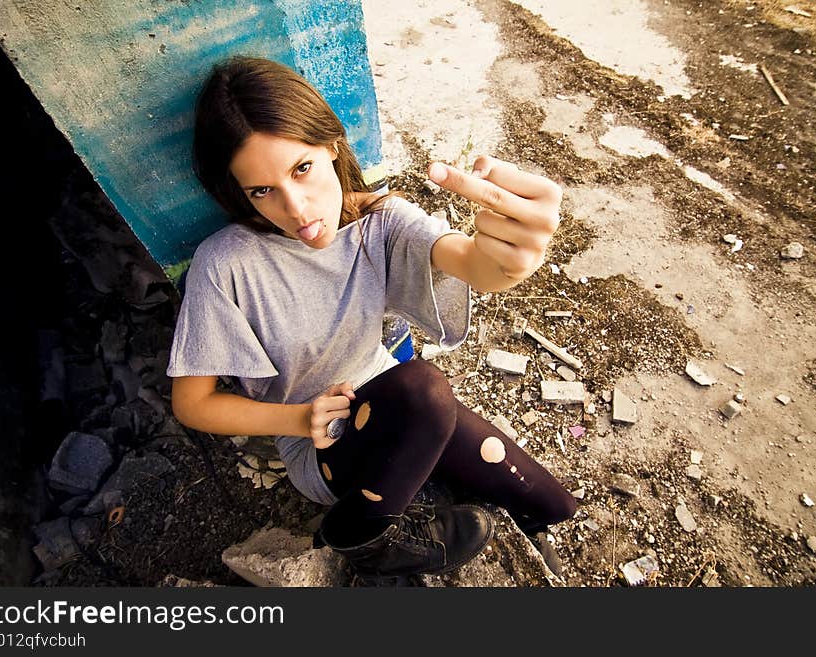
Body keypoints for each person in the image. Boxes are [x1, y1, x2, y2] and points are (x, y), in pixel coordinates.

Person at [167, 56, 576, 584]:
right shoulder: (226, 264)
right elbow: (193, 403)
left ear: (330, 146)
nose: (295, 208)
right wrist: (297, 419)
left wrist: (510, 257)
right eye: (261, 190)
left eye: (302, 169)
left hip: (392, 397)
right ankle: (360, 535)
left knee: (550, 502)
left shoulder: (377, 221)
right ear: (239, 193)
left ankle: (532, 538)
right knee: (426, 391)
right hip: (325, 442)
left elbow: (469, 261)